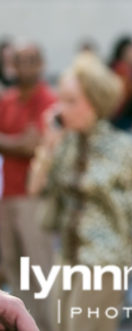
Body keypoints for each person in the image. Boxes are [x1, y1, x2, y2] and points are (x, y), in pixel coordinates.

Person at [28, 52, 132, 331]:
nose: (61, 108)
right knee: (59, 324)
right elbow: (36, 189)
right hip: (69, 254)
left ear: (93, 102)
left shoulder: (120, 147)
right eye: (61, 100)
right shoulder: (66, 144)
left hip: (106, 257)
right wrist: (48, 146)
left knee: (82, 325)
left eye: (71, 101)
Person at [0, 43, 56, 330]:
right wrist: (15, 142)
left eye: (32, 60)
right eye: (21, 61)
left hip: (34, 199)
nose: (26, 67)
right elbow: (20, 143)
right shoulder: (6, 100)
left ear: (41, 64)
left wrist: (11, 142)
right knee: (14, 270)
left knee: (40, 272)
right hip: (6, 197)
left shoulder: (47, 99)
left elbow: (33, 144)